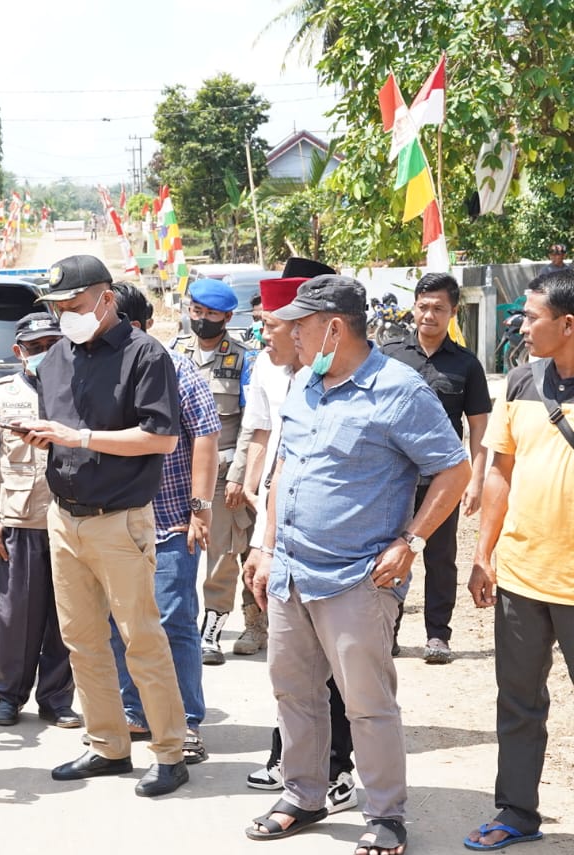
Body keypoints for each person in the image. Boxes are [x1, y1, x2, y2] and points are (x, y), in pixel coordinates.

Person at [243, 275, 471, 855]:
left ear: (334, 328)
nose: (290, 334)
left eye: (300, 324)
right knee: (293, 691)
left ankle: (386, 814)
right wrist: (266, 548)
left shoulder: (399, 391)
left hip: (357, 578)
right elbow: (285, 471)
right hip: (293, 570)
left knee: (367, 704)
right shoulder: (305, 384)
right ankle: (304, 794)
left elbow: (454, 469)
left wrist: (413, 541)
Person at [20, 254, 188, 798]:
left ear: (105, 298)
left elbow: (161, 438)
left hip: (121, 520)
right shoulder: (53, 362)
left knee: (141, 638)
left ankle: (169, 752)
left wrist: (78, 437)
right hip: (64, 518)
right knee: (82, 641)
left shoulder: (146, 355)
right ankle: (107, 745)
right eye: (57, 307)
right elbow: (62, 432)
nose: (65, 315)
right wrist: (45, 436)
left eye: (73, 305)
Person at [238, 268, 358, 814]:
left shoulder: (347, 375)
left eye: (272, 324)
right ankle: (293, 764)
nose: (265, 334)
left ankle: (337, 769)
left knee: (337, 670)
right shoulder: (269, 367)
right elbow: (261, 431)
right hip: (277, 524)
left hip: (334, 545)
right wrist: (247, 482)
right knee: (291, 665)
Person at [463, 269, 574, 851]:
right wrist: (483, 555)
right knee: (519, 703)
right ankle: (517, 812)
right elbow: (500, 471)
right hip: (525, 575)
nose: (521, 326)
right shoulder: (523, 382)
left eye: (532, 317)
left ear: (567, 323)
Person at [105, 282, 219, 761]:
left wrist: (199, 509)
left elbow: (206, 438)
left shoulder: (178, 371)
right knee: (120, 624)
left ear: (140, 327)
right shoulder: (98, 371)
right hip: (114, 524)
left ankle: (186, 720)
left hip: (171, 521)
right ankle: (136, 712)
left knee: (174, 622)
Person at [0, 311, 77, 729]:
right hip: (18, 524)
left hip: (70, 523)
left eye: (53, 346)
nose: (45, 356)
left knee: (65, 617)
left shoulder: (78, 392)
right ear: (19, 352)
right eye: (35, 349)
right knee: (16, 618)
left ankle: (56, 698)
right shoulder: (1, 395)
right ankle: (9, 695)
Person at [380, 272, 491, 663]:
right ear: (414, 306)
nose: (429, 315)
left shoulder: (466, 364)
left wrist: (475, 479)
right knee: (388, 552)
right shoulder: (390, 355)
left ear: (453, 312)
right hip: (392, 478)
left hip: (443, 480)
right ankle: (386, 630)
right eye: (423, 306)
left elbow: (478, 425)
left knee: (439, 557)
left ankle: (437, 636)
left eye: (438, 308)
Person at [172, 278, 254, 665]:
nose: (202, 320)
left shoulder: (243, 359)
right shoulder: (173, 354)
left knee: (220, 554)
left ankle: (213, 631)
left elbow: (253, 423)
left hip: (223, 474)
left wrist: (239, 472)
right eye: (197, 312)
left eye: (211, 314)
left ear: (227, 317)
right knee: (176, 549)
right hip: (176, 472)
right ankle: (179, 625)